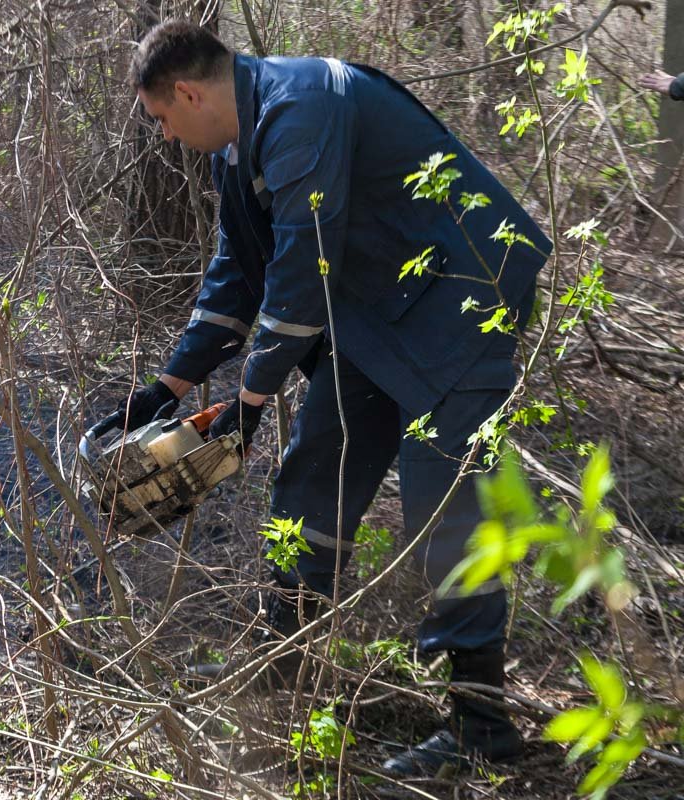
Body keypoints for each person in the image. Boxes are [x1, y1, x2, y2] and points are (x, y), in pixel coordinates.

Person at [110, 20, 551, 776]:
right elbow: (239, 273)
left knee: (443, 505)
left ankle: (483, 729)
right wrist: (164, 389)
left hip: (464, 300)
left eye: (161, 119)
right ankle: (278, 675)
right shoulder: (238, 145)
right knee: (315, 471)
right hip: (380, 318)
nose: (165, 135)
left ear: (187, 91)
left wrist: (248, 405)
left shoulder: (300, 106)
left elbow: (301, 271)